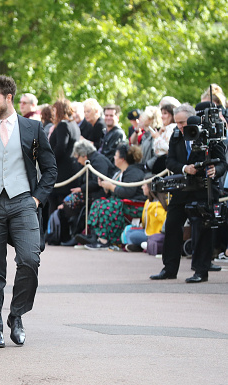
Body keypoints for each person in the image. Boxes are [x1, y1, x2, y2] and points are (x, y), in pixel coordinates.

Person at [0, 75, 57, 348]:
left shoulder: (34, 128)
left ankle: (17, 315)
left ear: (8, 98)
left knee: (30, 259)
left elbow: (50, 169)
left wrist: (37, 199)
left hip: (23, 202)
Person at [150, 103, 227, 283]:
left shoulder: (211, 136)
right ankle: (169, 269)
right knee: (171, 227)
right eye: (177, 123)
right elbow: (170, 162)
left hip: (204, 189)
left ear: (194, 120)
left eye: (183, 123)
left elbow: (223, 163)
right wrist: (185, 168)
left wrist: (214, 170)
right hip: (182, 188)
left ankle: (201, 271)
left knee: (202, 230)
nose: (180, 127)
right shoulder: (177, 136)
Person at [83, 144, 145, 250]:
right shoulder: (118, 172)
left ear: (122, 159)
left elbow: (128, 192)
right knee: (98, 202)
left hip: (134, 204)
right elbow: (117, 191)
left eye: (116, 156)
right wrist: (105, 187)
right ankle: (96, 235)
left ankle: (105, 240)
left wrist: (111, 187)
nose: (114, 158)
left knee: (107, 206)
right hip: (122, 202)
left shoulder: (134, 172)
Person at [58, 139, 115, 246]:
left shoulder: (98, 161)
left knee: (71, 201)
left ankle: (81, 232)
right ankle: (77, 232)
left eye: (77, 157)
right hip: (91, 193)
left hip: (99, 194)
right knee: (68, 202)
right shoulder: (91, 160)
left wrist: (81, 189)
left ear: (83, 155)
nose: (77, 160)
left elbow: (98, 181)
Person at [48, 98, 80, 214]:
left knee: (55, 203)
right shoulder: (74, 125)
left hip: (62, 172)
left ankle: (54, 231)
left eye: (55, 110)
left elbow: (61, 147)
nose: (53, 113)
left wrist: (48, 162)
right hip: (70, 169)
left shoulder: (63, 125)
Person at [124, 181, 167, 252]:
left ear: (150, 187)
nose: (142, 187)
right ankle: (140, 246)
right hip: (148, 231)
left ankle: (142, 246)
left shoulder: (158, 205)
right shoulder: (148, 202)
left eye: (144, 185)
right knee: (129, 230)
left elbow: (164, 221)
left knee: (132, 235)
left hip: (156, 234)